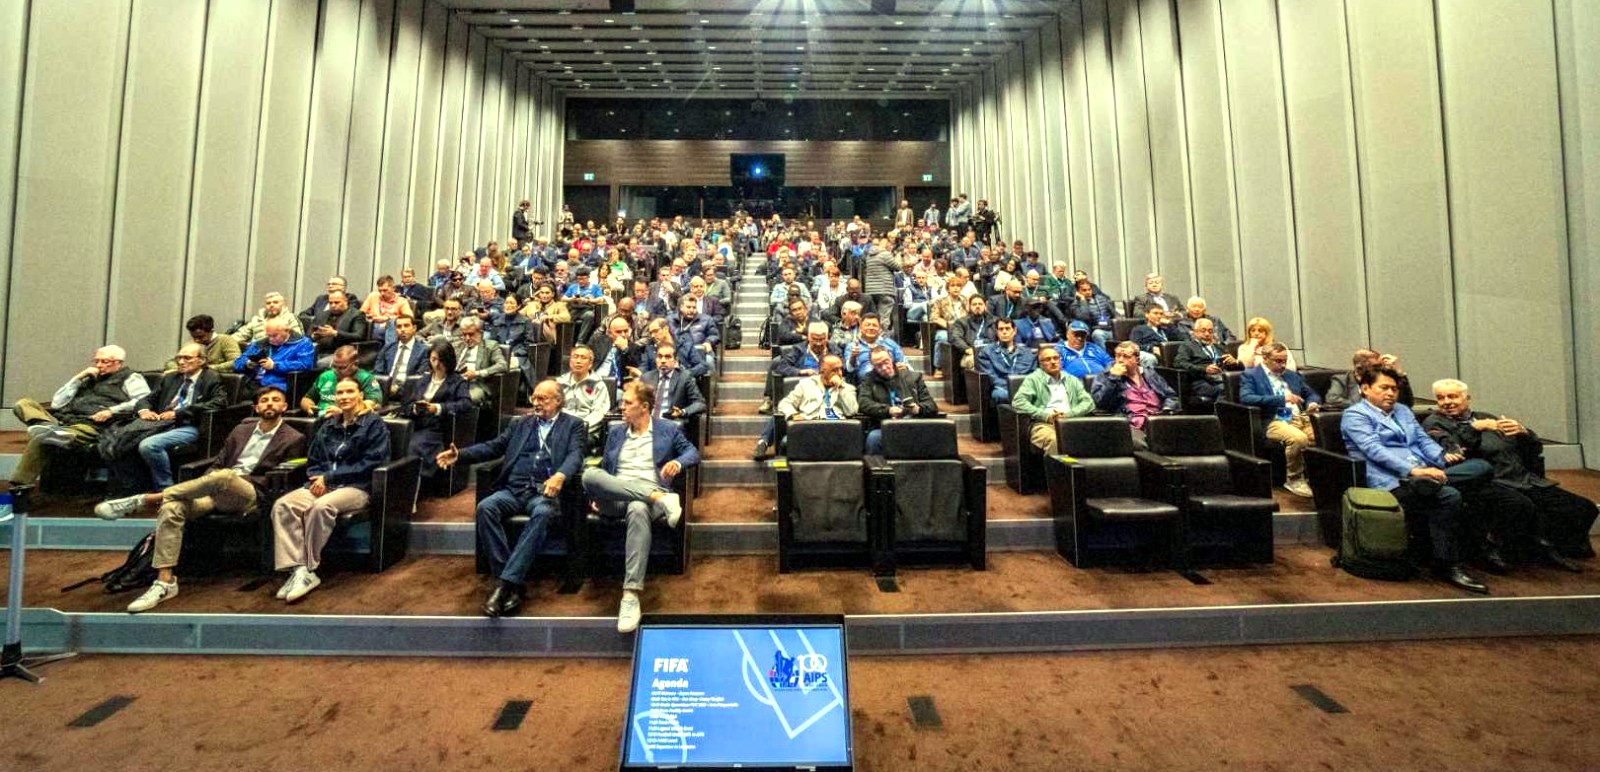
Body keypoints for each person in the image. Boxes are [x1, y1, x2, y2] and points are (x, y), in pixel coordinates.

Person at [93, 387, 306, 613]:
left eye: (276, 400)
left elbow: (283, 477)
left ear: (284, 406)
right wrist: (210, 484)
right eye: (264, 400)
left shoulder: (294, 438)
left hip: (252, 494)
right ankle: (165, 582)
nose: (270, 403)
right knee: (172, 507)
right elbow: (218, 463)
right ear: (256, 407)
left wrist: (226, 480)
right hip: (216, 492)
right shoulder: (241, 430)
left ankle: (147, 499)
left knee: (226, 476)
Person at [438, 380, 585, 617]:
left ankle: (504, 585)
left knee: (543, 512)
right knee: (486, 507)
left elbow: (575, 456)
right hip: (513, 490)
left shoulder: (573, 425)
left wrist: (560, 475)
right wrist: (461, 455)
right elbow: (494, 447)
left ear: (558, 401)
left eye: (542, 399)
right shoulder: (521, 423)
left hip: (543, 492)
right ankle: (511, 583)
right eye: (534, 398)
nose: (536, 403)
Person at [1341, 366, 1488, 594]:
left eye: (1394, 389)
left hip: (1424, 471)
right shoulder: (1355, 415)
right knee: (1449, 496)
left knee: (1482, 468)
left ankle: (1435, 482)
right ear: (1366, 389)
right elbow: (1374, 450)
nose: (1391, 393)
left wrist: (1441, 458)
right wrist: (1414, 471)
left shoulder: (1402, 410)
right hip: (1390, 480)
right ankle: (1447, 564)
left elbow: (1422, 439)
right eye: (1384, 388)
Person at [1423, 379, 1595, 568]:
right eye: (1441, 398)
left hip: (1522, 478)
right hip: (1489, 481)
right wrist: (1474, 428)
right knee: (1524, 506)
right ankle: (1524, 549)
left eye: (1453, 396)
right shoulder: (1435, 423)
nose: (1447, 402)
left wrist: (1524, 433)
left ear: (1468, 398)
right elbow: (1455, 452)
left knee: (1585, 508)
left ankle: (1558, 547)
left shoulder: (1486, 416)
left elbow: (1532, 450)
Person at [581, 381, 699, 633]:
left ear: (644, 407)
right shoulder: (616, 432)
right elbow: (605, 469)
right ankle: (659, 498)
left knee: (637, 507)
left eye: (627, 403)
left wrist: (678, 463)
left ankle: (631, 595)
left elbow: (693, 453)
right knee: (589, 475)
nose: (622, 407)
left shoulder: (667, 429)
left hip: (645, 496)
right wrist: (602, 491)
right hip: (618, 495)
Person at [270, 378, 391, 603]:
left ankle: (308, 567)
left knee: (320, 507)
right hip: (322, 485)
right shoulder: (328, 425)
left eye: (349, 391)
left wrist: (330, 478)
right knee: (284, 505)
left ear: (360, 395)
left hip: (356, 487)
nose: (344, 397)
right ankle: (299, 570)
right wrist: (318, 478)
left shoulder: (374, 425)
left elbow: (371, 463)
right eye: (340, 393)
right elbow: (313, 458)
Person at [110, 343, 227, 492]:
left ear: (201, 360)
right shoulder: (171, 377)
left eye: (187, 358)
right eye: (179, 358)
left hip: (188, 425)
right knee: (119, 438)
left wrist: (179, 413)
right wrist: (144, 411)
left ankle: (165, 490)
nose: (181, 362)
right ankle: (133, 488)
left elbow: (219, 403)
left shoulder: (212, 377)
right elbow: (147, 399)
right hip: (160, 424)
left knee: (149, 445)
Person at [1238, 343, 1320, 498]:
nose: (1283, 365)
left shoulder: (1291, 375)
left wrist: (1312, 403)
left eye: (1285, 361)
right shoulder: (1251, 375)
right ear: (1265, 358)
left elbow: (1311, 394)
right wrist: (1281, 399)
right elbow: (1246, 398)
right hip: (1274, 419)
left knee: (1322, 436)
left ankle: (1318, 478)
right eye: (1278, 361)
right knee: (1298, 439)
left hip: (1300, 417)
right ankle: (1294, 479)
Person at [397, 342, 471, 482]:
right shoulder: (423, 380)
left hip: (436, 429)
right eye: (433, 359)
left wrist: (438, 408)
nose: (437, 364)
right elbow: (406, 405)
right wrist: (415, 408)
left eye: (441, 360)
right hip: (414, 425)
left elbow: (465, 404)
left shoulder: (458, 381)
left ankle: (412, 487)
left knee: (413, 446)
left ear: (449, 360)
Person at [1012, 344, 1096, 454]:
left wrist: (1069, 415)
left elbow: (1088, 402)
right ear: (1041, 364)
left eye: (1056, 358)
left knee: (1096, 438)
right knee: (1056, 441)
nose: (1053, 362)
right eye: (1048, 359)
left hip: (1072, 422)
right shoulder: (1033, 380)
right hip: (1044, 425)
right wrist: (1046, 416)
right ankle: (1059, 466)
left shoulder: (1071, 379)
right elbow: (1018, 402)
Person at [858, 346, 940, 455]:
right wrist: (888, 410)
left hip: (913, 423)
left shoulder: (913, 377)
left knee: (934, 435)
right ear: (873, 366)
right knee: (873, 438)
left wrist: (917, 409)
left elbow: (931, 405)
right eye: (878, 365)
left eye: (886, 362)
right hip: (884, 426)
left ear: (891, 358)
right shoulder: (868, 380)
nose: (884, 367)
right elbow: (864, 403)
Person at [1092, 342, 1179, 441]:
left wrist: (1167, 409)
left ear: (1137, 359)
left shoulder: (1150, 373)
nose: (1120, 360)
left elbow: (1171, 396)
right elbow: (1100, 402)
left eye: (1126, 356)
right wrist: (1113, 378)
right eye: (1118, 356)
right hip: (1131, 425)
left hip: (1159, 421)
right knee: (1141, 444)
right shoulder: (1106, 375)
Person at [233, 316, 315, 392]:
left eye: (275, 336)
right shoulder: (260, 343)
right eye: (268, 335)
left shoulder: (303, 343)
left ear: (287, 331)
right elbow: (237, 363)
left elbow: (305, 364)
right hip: (252, 383)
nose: (270, 339)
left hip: (278, 385)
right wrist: (247, 364)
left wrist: (274, 365)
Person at [1174, 317, 1240, 409]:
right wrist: (1204, 369)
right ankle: (1221, 416)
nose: (1207, 334)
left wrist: (1234, 363)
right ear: (1195, 332)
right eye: (1203, 331)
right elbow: (1179, 363)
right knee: (1226, 388)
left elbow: (1230, 367)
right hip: (1201, 381)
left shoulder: (1218, 347)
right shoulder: (1187, 346)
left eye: (1210, 331)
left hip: (1221, 378)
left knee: (1243, 386)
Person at [1326, 348, 1415, 409]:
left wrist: (1399, 374)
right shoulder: (1342, 380)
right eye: (1376, 366)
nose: (1380, 369)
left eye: (1381, 365)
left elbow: (1407, 403)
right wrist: (1371, 406)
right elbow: (1332, 399)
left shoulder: (1383, 381)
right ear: (1359, 368)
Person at [976, 318, 1037, 404]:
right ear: (997, 332)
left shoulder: (1027, 352)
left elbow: (1032, 374)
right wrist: (1012, 388)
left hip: (1024, 388)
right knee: (999, 395)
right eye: (1001, 329)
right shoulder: (987, 352)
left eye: (1007, 328)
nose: (1004, 332)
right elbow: (992, 377)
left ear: (1014, 331)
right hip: (1003, 389)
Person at [307, 289, 370, 367]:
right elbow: (308, 335)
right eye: (330, 303)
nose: (333, 305)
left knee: (321, 364)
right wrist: (314, 336)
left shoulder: (356, 315)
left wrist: (335, 333)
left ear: (345, 302)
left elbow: (358, 336)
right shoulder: (322, 315)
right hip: (319, 350)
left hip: (341, 353)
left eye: (337, 302)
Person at [453, 317, 509, 404]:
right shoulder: (458, 345)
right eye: (464, 334)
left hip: (477, 384)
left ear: (480, 333)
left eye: (471, 334)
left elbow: (502, 365)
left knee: (465, 399)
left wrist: (477, 373)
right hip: (456, 382)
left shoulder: (491, 346)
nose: (467, 338)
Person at [374, 313, 428, 400]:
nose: (402, 329)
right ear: (395, 329)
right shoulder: (387, 348)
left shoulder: (424, 350)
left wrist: (398, 390)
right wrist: (386, 387)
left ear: (414, 328)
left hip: (409, 394)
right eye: (399, 327)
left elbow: (419, 378)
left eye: (406, 326)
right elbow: (378, 372)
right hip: (385, 392)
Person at [842, 313, 906, 384]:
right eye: (867, 325)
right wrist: (853, 357)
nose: (871, 328)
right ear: (860, 328)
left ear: (880, 329)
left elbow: (904, 363)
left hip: (891, 381)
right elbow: (849, 369)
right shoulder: (852, 346)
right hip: (867, 384)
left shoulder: (890, 343)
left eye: (874, 325)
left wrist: (902, 366)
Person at [167, 314, 240, 373]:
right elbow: (171, 362)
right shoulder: (191, 344)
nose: (196, 340)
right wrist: (180, 368)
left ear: (211, 331)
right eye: (194, 337)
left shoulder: (225, 340)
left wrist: (206, 369)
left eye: (200, 337)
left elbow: (236, 362)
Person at [232, 291, 304, 346]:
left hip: (280, 352)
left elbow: (298, 339)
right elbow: (240, 335)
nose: (271, 305)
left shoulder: (290, 318)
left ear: (283, 304)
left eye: (275, 302)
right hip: (256, 351)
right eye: (268, 303)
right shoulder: (257, 320)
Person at [360, 275, 415, 344]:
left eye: (385, 290)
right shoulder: (373, 296)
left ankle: (390, 348)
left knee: (392, 322)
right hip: (373, 327)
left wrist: (387, 318)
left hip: (391, 328)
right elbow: (360, 313)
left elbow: (409, 317)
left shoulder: (401, 301)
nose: (382, 293)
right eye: (380, 290)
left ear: (393, 288)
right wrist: (369, 316)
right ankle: (389, 348)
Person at [1063, 279, 1117, 348]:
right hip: (1095, 331)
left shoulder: (1102, 299)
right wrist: (1083, 300)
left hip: (1110, 329)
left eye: (1089, 290)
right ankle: (1102, 354)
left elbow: (1115, 314)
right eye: (1084, 290)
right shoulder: (1075, 304)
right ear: (1078, 292)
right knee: (1097, 334)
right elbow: (1084, 317)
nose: (1088, 292)